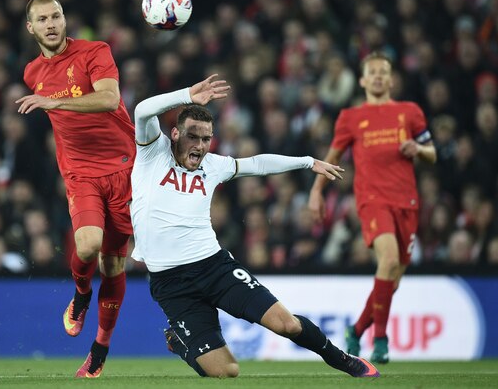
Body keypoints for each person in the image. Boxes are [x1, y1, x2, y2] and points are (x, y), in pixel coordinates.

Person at [130, 74, 379, 378]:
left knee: (286, 324)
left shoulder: (214, 166)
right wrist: (186, 95)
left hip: (214, 268)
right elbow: (143, 110)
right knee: (227, 372)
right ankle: (182, 343)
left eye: (206, 139)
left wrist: (307, 161)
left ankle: (343, 360)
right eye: (193, 136)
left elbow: (258, 164)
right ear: (175, 134)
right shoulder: (152, 153)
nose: (200, 145)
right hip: (171, 285)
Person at [16, 0, 134, 378]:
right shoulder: (32, 72)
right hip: (81, 174)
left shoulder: (94, 51)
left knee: (114, 263)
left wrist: (53, 102)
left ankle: (99, 350)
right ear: (30, 27)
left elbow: (109, 98)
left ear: (64, 19)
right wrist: (49, 100)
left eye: (56, 16)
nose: (51, 24)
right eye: (42, 19)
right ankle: (81, 293)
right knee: (88, 244)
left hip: (124, 169)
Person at [308, 52, 437, 364]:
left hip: (406, 202)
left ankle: (356, 329)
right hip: (372, 200)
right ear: (363, 80)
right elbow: (333, 158)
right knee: (389, 260)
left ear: (391, 80)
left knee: (392, 277)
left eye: (384, 72)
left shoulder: (410, 112)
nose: (378, 76)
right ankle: (380, 339)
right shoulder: (351, 118)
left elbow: (432, 153)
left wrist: (418, 149)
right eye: (373, 72)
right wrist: (316, 192)